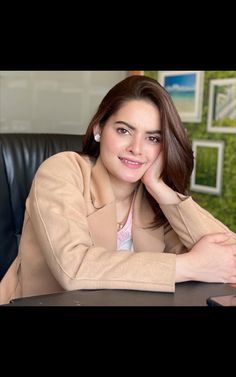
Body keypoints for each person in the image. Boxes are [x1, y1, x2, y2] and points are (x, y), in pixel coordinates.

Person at [3, 75, 236, 302]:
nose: (137, 148)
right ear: (98, 129)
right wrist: (191, 266)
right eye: (124, 130)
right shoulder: (62, 171)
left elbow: (229, 257)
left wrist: (160, 188)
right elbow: (73, 268)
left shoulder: (151, 198)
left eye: (153, 138)